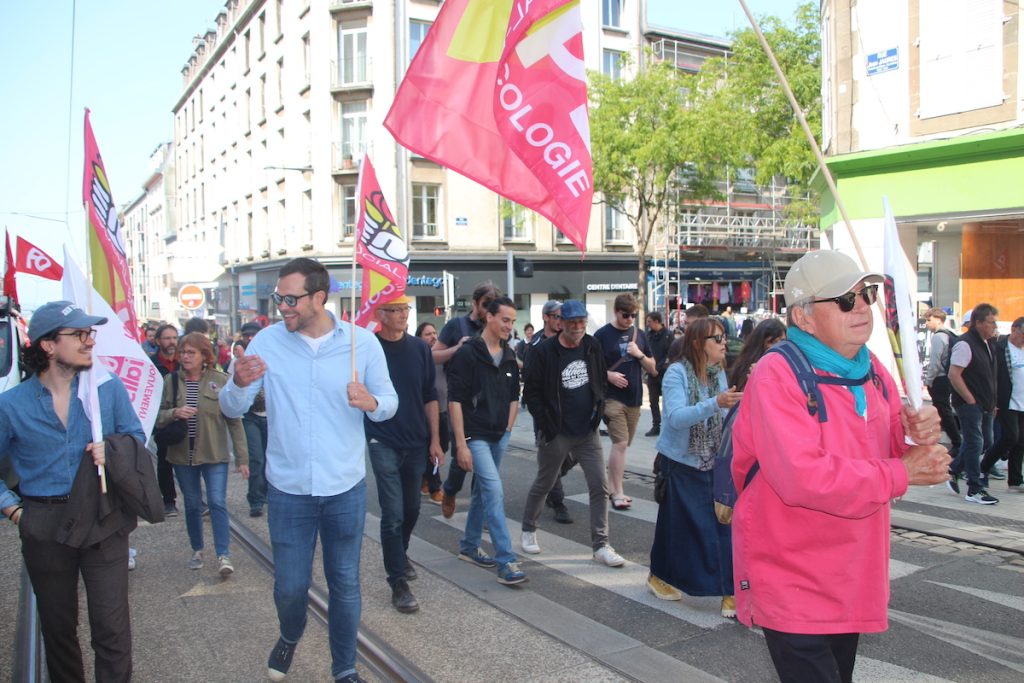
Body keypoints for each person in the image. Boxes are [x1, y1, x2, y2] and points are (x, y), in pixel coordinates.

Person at [732, 250, 949, 682]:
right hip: (793, 575)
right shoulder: (778, 373)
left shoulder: (874, 373)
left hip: (853, 575)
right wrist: (905, 471)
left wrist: (915, 432)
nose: (864, 306)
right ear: (804, 317)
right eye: (846, 300)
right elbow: (803, 477)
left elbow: (890, 450)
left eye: (866, 294)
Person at [220, 258, 397, 683]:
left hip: (344, 487)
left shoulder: (361, 343)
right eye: (279, 297)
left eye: (290, 298)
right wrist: (239, 383)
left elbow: (390, 403)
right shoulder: (266, 341)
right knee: (289, 587)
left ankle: (345, 668)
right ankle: (290, 633)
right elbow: (230, 407)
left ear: (319, 297)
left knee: (345, 584)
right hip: (288, 489)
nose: (282, 305)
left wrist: (370, 402)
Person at [0, 300, 146, 682]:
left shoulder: (106, 389)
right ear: (48, 345)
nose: (88, 341)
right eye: (79, 334)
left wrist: (111, 449)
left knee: (112, 628)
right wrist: (14, 511)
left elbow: (136, 437)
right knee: (58, 629)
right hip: (44, 524)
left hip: (103, 517)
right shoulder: (11, 405)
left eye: (90, 333)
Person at [520, 300, 625, 567]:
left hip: (587, 430)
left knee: (599, 487)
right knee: (545, 482)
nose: (578, 327)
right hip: (557, 431)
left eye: (581, 322)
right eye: (572, 323)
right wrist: (546, 424)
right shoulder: (545, 352)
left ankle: (601, 544)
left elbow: (599, 377)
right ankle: (528, 530)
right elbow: (531, 393)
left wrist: (598, 409)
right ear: (561, 323)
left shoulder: (591, 345)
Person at [647, 319, 741, 617]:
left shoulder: (717, 374)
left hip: (713, 461)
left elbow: (725, 416)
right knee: (684, 527)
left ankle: (728, 590)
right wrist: (716, 403)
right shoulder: (676, 373)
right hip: (681, 462)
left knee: (715, 525)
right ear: (700, 343)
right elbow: (675, 417)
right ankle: (727, 591)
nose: (724, 343)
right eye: (718, 338)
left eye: (725, 337)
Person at [367, 297, 444, 614]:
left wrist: (436, 439)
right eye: (395, 311)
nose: (402, 316)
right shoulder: (369, 348)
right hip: (382, 437)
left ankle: (400, 551)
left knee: (412, 508)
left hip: (416, 439)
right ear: (380, 315)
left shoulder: (420, 349)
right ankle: (397, 581)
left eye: (405, 310)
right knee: (393, 512)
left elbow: (430, 395)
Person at [448, 296, 528, 586]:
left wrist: (508, 428)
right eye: (505, 320)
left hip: (499, 435)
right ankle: (506, 561)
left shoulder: (508, 354)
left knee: (483, 491)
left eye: (512, 321)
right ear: (489, 317)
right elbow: (455, 400)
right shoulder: (468, 354)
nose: (509, 326)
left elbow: (513, 396)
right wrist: (460, 444)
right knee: (494, 492)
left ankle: (469, 546)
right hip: (475, 435)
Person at [157, 332, 248, 575]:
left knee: (217, 502)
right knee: (193, 503)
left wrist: (242, 458)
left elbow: (234, 420)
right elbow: (158, 415)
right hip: (182, 455)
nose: (185, 357)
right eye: (183, 352)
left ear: (204, 356)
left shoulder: (220, 380)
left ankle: (223, 555)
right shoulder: (171, 382)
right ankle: (197, 549)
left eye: (191, 353)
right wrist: (175, 412)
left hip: (214, 453)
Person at [432, 282, 501, 518]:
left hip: (489, 404)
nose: (489, 310)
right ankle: (450, 489)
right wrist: (457, 349)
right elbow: (434, 356)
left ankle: (477, 511)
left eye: (493, 306)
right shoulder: (456, 325)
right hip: (460, 403)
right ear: (474, 303)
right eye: (485, 305)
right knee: (463, 457)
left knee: (484, 463)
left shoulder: (496, 327)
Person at [594, 293, 656, 510]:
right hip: (611, 398)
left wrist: (639, 354)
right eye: (625, 315)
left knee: (623, 446)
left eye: (633, 315)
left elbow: (653, 368)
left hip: (635, 398)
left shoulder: (639, 334)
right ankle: (617, 491)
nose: (630, 319)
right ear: (616, 312)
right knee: (619, 443)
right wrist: (608, 375)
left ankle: (611, 487)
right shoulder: (602, 335)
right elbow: (590, 367)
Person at [522, 300, 573, 523]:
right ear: (545, 317)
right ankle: (558, 501)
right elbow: (531, 381)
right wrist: (541, 413)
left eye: (562, 317)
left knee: (575, 455)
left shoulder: (572, 339)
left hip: (572, 409)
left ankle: (549, 482)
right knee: (552, 456)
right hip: (547, 409)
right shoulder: (535, 345)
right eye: (555, 316)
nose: (560, 321)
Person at [947, 302, 1000, 504]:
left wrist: (992, 402)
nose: (994, 327)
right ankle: (974, 489)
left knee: (985, 442)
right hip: (969, 404)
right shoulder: (965, 343)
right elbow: (954, 374)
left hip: (985, 404)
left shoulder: (987, 343)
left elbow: (989, 376)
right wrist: (969, 399)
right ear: (978, 323)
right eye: (991, 322)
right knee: (975, 442)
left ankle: (953, 469)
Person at [980, 317, 1024, 491]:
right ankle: (984, 466)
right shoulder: (999, 348)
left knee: (1021, 442)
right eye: (1023, 334)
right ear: (1014, 330)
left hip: (1022, 401)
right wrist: (993, 400)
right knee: (1010, 437)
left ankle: (1015, 480)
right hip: (1006, 401)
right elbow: (991, 376)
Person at [237, 322, 269, 517]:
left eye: (254, 335)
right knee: (256, 458)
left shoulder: (273, 355)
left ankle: (269, 493)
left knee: (272, 458)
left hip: (272, 417)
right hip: (250, 417)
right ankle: (256, 500)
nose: (250, 339)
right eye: (247, 336)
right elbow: (232, 396)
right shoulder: (239, 362)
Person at [150, 323, 181, 516]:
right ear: (158, 341)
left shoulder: (184, 361)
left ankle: (196, 499)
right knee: (164, 460)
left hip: (185, 417)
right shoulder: (151, 365)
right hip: (163, 419)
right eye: (167, 338)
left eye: (174, 338)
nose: (171, 342)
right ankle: (168, 500)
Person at [923, 308, 961, 457]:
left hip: (940, 378)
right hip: (947, 377)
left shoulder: (938, 337)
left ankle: (956, 441)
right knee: (943, 410)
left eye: (929, 319)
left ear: (938, 320)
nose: (926, 323)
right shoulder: (951, 334)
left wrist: (929, 380)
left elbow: (935, 362)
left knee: (943, 410)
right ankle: (950, 439)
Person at [416, 321, 446, 505]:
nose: (433, 337)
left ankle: (424, 478)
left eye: (435, 333)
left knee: (444, 445)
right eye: (428, 334)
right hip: (423, 411)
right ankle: (435, 486)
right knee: (431, 447)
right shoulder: (417, 356)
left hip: (443, 409)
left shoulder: (441, 356)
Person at [728, 319, 787, 390]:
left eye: (782, 341)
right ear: (760, 343)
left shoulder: (788, 366)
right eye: (773, 342)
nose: (778, 346)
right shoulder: (746, 368)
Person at [645, 311, 672, 437]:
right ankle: (656, 425)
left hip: (664, 373)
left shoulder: (668, 335)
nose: (647, 324)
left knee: (667, 400)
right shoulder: (649, 336)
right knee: (653, 401)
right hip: (652, 373)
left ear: (656, 321)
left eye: (649, 321)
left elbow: (670, 355)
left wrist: (658, 368)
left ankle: (668, 426)